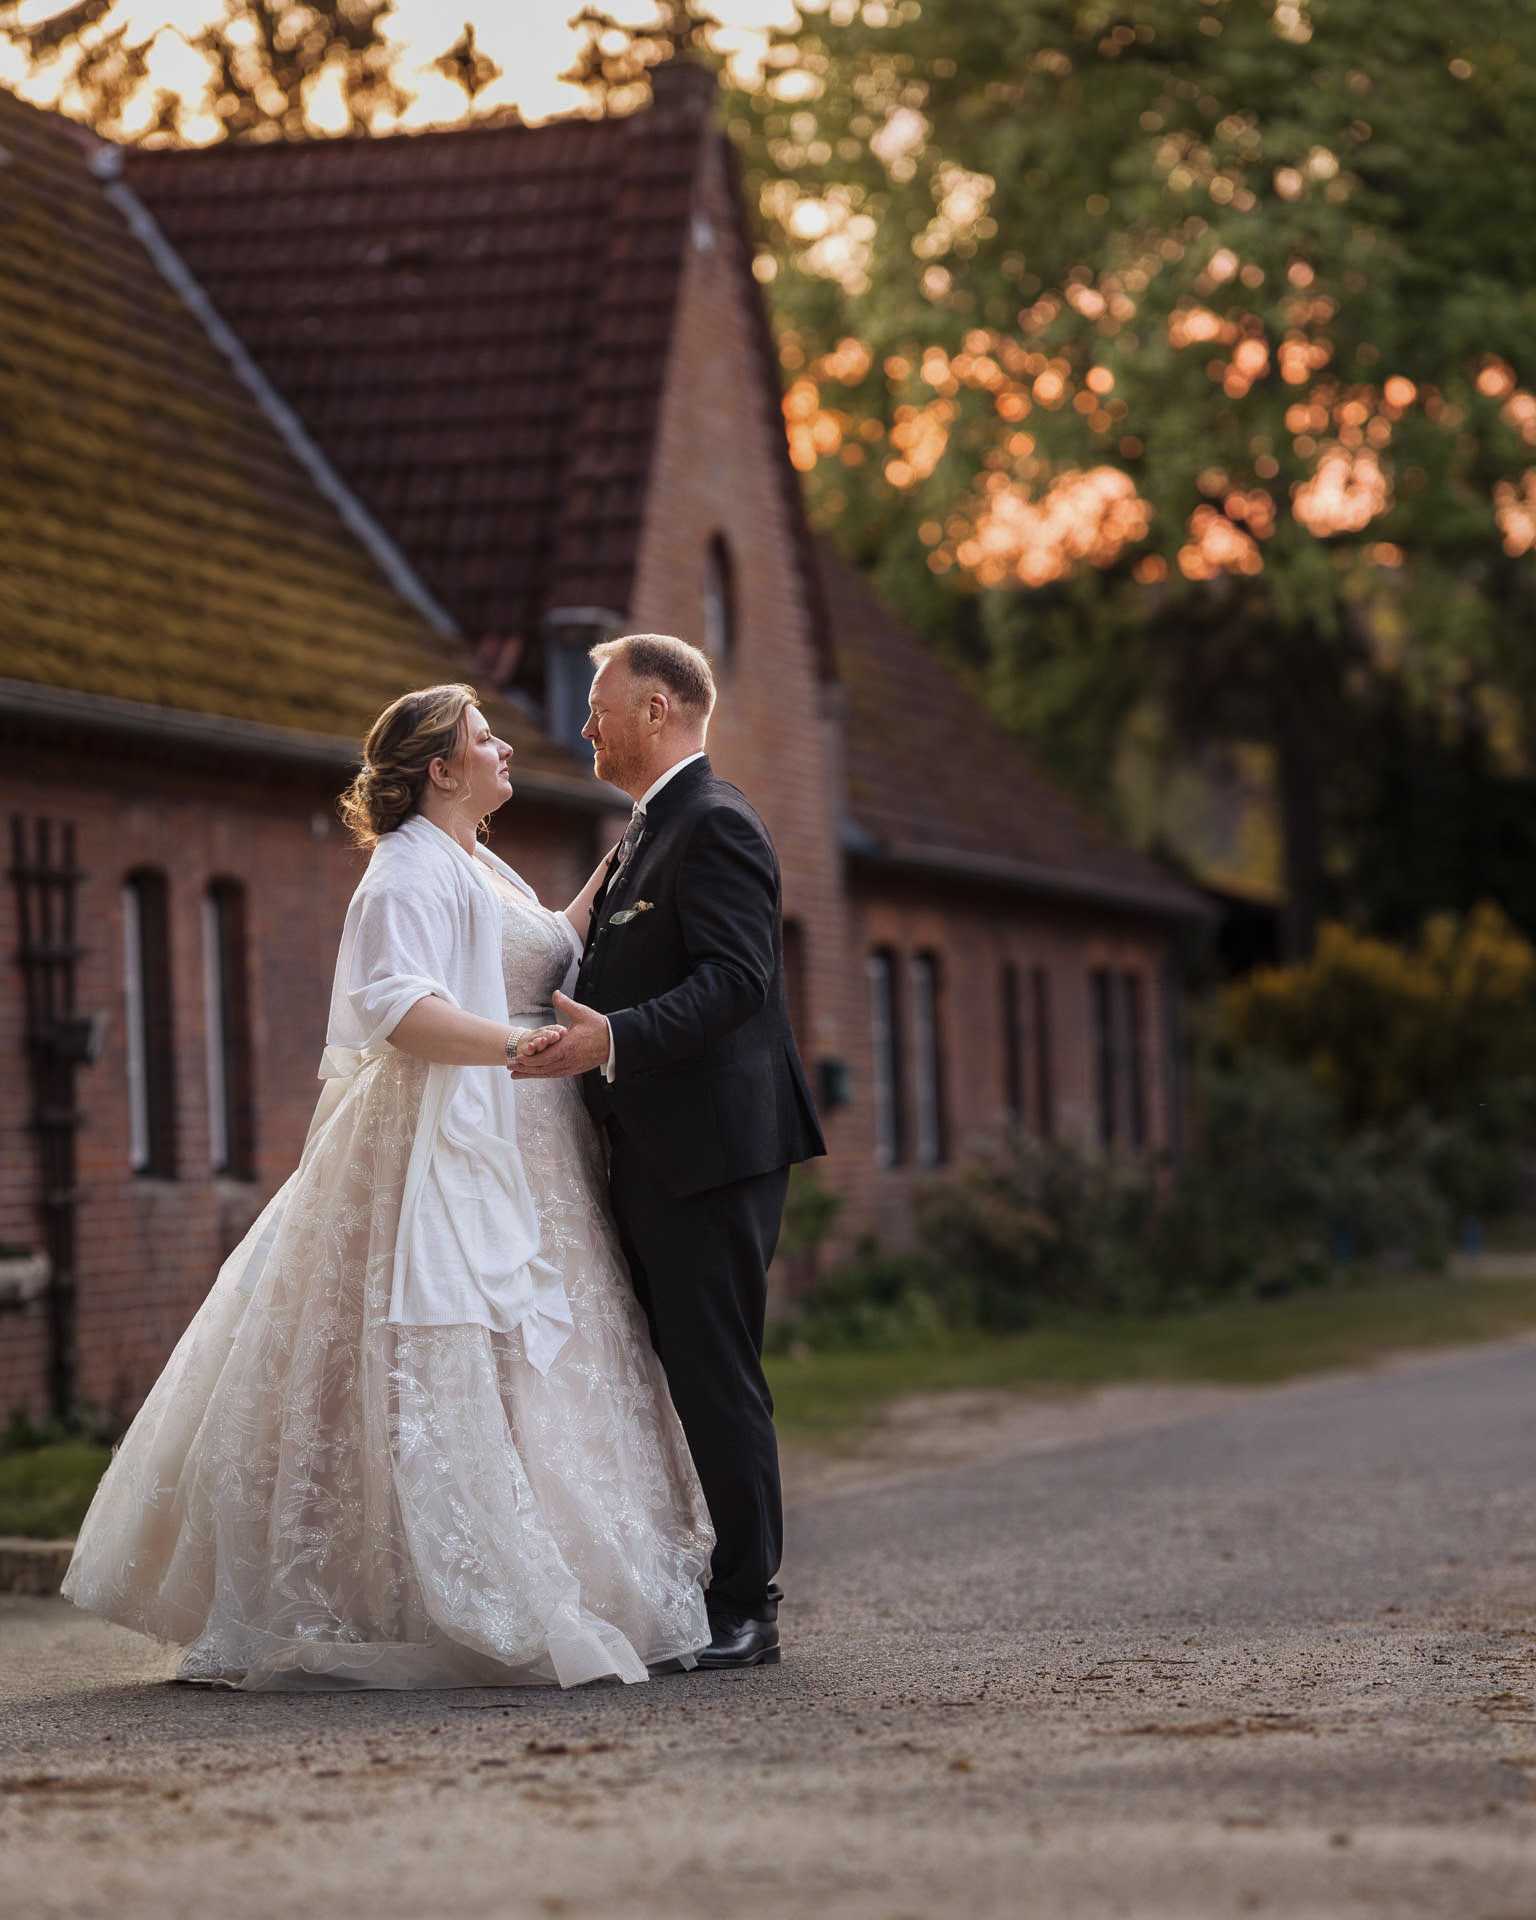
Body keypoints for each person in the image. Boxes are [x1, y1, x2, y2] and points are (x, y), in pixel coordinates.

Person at [62, 684, 714, 1690]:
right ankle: (435, 1594)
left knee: (528, 1362)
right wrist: (527, 1042)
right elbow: (403, 1012)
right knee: (439, 1353)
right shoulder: (404, 873)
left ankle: (569, 1567)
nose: (504, 748)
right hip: (449, 1136)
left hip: (525, 1135)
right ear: (441, 770)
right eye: (483, 738)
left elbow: (545, 939)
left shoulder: (471, 857)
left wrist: (639, 843)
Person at [510, 634, 826, 1669]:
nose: (585, 725)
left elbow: (741, 979)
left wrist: (617, 1037)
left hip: (715, 1154)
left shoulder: (717, 823)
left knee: (716, 1369)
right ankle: (710, 1587)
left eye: (599, 706)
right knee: (684, 1369)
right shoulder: (646, 833)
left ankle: (748, 1606)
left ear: (656, 709)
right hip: (654, 1153)